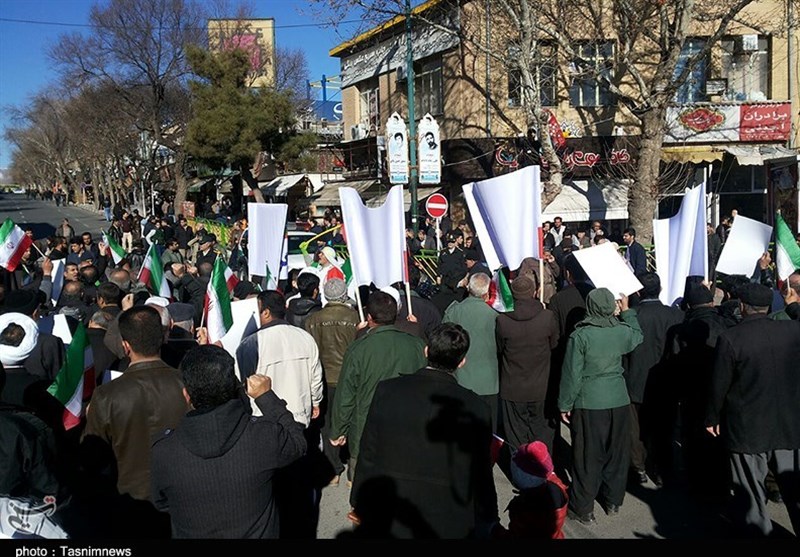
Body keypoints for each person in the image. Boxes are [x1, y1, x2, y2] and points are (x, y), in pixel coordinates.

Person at [349, 323, 500, 539]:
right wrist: (489, 515)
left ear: (426, 351)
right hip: (449, 515)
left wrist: (358, 499)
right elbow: (481, 471)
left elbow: (369, 450)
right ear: (462, 362)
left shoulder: (388, 390)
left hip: (394, 511)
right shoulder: (476, 407)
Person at [151, 345, 307, 539]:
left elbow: (162, 502)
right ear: (235, 388)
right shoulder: (262, 436)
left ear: (186, 395)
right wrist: (266, 397)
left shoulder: (164, 451)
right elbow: (297, 442)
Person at [705, 283, 800, 537]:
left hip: (748, 428)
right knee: (795, 487)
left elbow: (719, 385)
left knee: (750, 491)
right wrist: (792, 305)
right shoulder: (792, 330)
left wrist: (712, 417)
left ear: (742, 307)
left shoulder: (731, 338)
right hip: (789, 426)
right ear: (769, 306)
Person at [235, 290, 323, 538]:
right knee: (301, 482)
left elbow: (241, 383)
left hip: (264, 424)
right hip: (299, 419)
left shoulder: (251, 343)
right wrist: (315, 401)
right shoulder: (304, 337)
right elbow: (315, 377)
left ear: (264, 312)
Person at [83, 306, 188, 502]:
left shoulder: (106, 395)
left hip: (128, 500)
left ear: (125, 346)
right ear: (163, 337)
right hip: (180, 496)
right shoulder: (188, 385)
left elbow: (93, 456)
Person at [558, 288, 643, 524]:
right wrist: (627, 311)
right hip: (618, 398)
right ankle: (613, 500)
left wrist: (565, 403)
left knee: (587, 456)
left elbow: (571, 374)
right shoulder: (621, 332)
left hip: (589, 401)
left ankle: (583, 507)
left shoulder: (581, 336)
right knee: (616, 453)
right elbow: (637, 335)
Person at [330, 291, 426, 485]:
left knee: (364, 488)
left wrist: (339, 429)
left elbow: (346, 393)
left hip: (367, 427)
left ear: (369, 317)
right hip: (405, 425)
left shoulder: (359, 348)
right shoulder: (416, 345)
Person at [622, 273, 684, 486]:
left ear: (638, 292)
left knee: (636, 429)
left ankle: (638, 467)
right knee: (664, 429)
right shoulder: (675, 315)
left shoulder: (632, 315)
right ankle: (662, 469)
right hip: (666, 382)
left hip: (636, 381)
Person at [496, 274, 560, 458]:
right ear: (534, 292)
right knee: (542, 434)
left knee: (516, 436)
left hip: (513, 386)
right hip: (541, 385)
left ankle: (521, 472)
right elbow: (554, 345)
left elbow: (500, 349)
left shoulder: (502, 320)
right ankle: (542, 470)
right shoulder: (547, 317)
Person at [304, 278, 360, 486]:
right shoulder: (355, 318)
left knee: (326, 423)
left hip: (324, 376)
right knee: (351, 418)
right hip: (348, 377)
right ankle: (352, 471)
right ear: (344, 295)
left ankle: (333, 469)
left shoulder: (313, 320)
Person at [442, 272, 500, 433]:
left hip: (461, 379)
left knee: (462, 429)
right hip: (489, 381)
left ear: (468, 288)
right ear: (488, 292)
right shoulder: (494, 315)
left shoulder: (454, 311)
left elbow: (443, 343)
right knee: (488, 430)